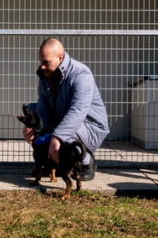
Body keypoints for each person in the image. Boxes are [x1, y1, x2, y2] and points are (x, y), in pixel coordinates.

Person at [22, 38, 109, 181]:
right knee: (32, 111)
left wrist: (57, 136)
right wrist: (35, 128)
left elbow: (78, 111)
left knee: (65, 134)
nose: (42, 66)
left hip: (89, 125)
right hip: (64, 117)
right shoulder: (45, 76)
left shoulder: (81, 74)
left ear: (60, 58)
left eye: (46, 62)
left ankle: (86, 160)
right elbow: (43, 108)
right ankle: (51, 162)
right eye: (41, 62)